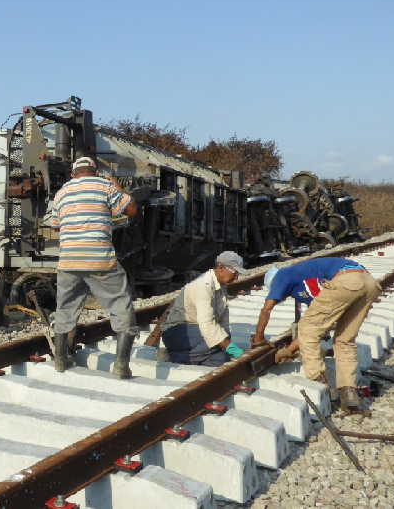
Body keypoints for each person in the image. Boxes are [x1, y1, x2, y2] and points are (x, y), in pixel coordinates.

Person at [48, 157, 147, 376]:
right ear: (94, 172)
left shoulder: (61, 193)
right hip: (100, 260)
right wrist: (117, 186)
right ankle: (121, 365)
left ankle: (61, 360)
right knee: (121, 305)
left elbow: (56, 226)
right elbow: (131, 210)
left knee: (64, 309)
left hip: (69, 261)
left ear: (74, 174)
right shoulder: (104, 185)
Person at [252, 257, 381, 411]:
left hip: (346, 280)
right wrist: (290, 350)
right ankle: (349, 392)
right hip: (370, 283)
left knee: (305, 327)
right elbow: (321, 327)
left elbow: (267, 309)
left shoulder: (282, 276)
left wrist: (258, 338)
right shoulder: (307, 283)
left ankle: (320, 383)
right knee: (344, 340)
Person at [160, 252, 246, 366]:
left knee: (222, 358)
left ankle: (193, 358)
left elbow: (223, 320)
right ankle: (178, 357)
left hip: (197, 332)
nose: (236, 277)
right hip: (177, 331)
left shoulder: (222, 286)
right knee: (216, 342)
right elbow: (207, 325)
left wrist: (227, 343)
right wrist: (233, 350)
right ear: (220, 268)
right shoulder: (203, 285)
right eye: (235, 273)